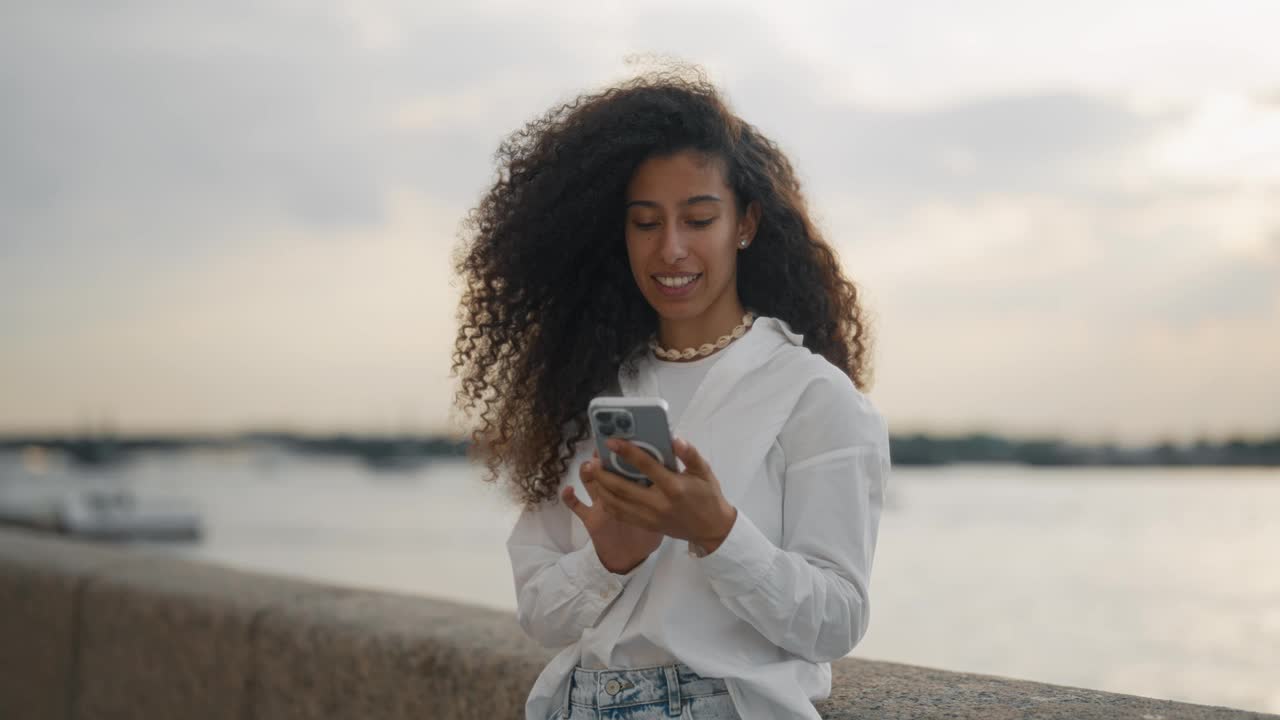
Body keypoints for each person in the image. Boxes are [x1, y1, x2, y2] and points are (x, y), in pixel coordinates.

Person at [452, 66, 890, 720]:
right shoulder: (589, 394)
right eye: (645, 222)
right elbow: (539, 614)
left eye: (698, 218)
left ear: (745, 224)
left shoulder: (811, 396)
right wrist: (609, 558)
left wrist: (717, 532)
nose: (671, 249)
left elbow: (837, 619)